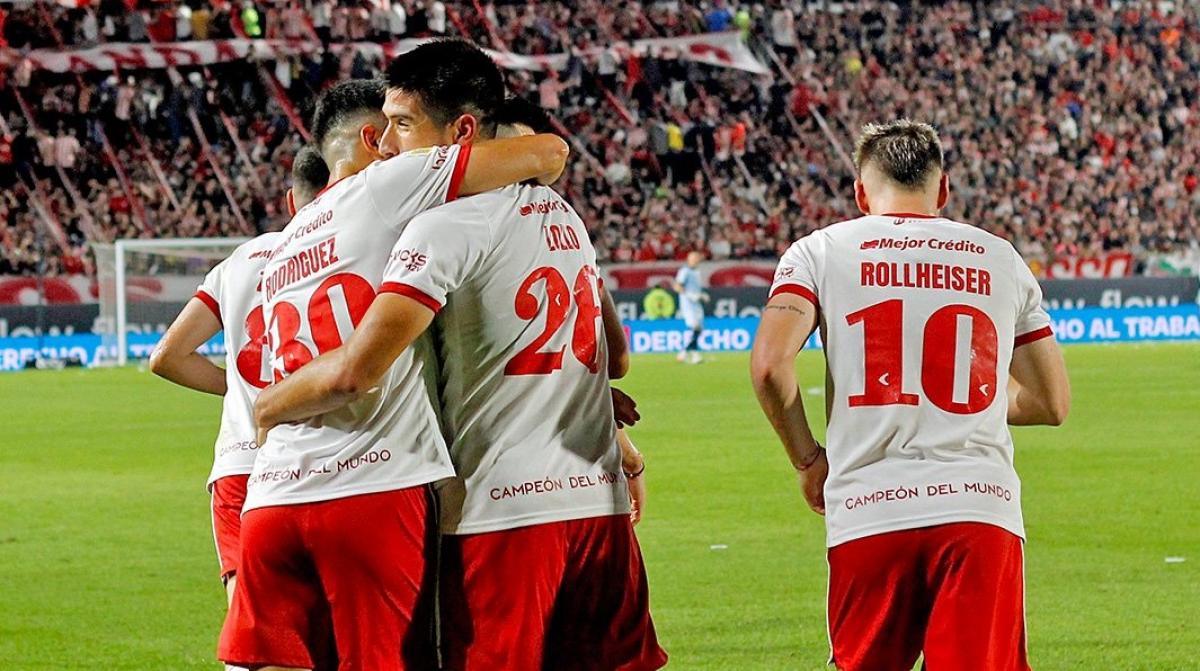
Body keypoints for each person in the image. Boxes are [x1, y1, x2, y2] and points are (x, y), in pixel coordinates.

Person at [253, 85, 667, 669]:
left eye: (405, 124)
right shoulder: (569, 222)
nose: (396, 144)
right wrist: (616, 436)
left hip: (490, 502)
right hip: (592, 495)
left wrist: (268, 407)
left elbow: (361, 365)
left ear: (461, 139)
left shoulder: (431, 226)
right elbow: (611, 357)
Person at [219, 70, 568, 671]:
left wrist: (270, 406)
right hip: (371, 487)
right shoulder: (385, 188)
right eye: (396, 128)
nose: (398, 144)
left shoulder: (283, 244)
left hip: (271, 497)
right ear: (372, 140)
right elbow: (548, 150)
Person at [750, 119, 1070, 671]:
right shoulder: (999, 257)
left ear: (859, 192)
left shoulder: (818, 252)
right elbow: (1052, 403)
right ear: (942, 189)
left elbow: (769, 367)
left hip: (869, 510)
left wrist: (807, 460)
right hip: (978, 511)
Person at [148, 145, 330, 671]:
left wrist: (247, 390)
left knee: (255, 640)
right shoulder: (358, 247)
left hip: (240, 465)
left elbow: (168, 357)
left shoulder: (242, 261)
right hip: (326, 458)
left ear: (291, 199)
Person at [673, 250, 708, 363]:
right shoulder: (685, 271)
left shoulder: (697, 272)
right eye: (693, 259)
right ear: (689, 260)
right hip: (688, 304)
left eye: (697, 258)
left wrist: (701, 296)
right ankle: (688, 352)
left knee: (699, 329)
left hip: (696, 304)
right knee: (695, 327)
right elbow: (677, 286)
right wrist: (690, 295)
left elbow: (695, 289)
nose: (695, 261)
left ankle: (690, 353)